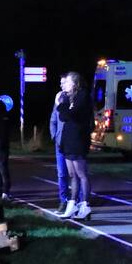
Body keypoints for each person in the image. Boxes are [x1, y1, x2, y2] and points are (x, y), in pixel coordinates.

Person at [55, 72, 93, 220]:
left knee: (81, 174)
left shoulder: (82, 96)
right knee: (72, 175)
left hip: (78, 141)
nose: (65, 85)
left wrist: (62, 103)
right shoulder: (70, 97)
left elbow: (67, 115)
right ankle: (72, 204)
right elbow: (64, 117)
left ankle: (85, 205)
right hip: (68, 141)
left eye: (68, 82)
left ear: (75, 84)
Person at [48, 74, 71, 215]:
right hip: (60, 143)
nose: (61, 86)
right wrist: (54, 135)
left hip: (72, 144)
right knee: (62, 174)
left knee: (75, 174)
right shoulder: (58, 99)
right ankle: (63, 200)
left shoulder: (75, 99)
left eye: (64, 83)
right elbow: (53, 119)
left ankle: (79, 201)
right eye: (60, 83)